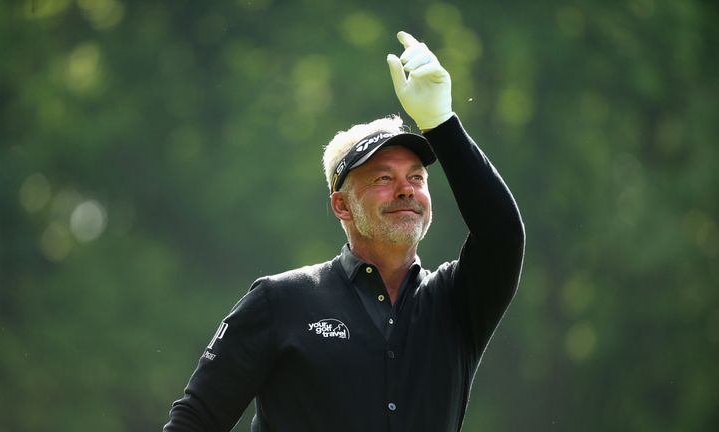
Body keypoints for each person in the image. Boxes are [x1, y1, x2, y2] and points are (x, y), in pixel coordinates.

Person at [164, 31, 525, 432]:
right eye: (383, 178)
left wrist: (441, 124)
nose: (406, 188)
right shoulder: (279, 302)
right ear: (342, 206)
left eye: (417, 177)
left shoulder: (456, 303)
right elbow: (194, 422)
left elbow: (502, 236)